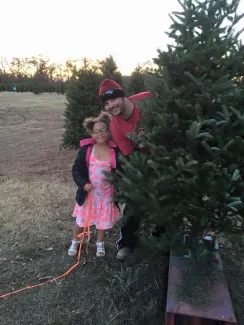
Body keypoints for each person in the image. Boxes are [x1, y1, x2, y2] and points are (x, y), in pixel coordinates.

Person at [98, 79, 165, 260]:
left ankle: (162, 236)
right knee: (135, 200)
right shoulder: (115, 125)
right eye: (106, 103)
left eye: (113, 100)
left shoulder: (146, 99)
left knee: (166, 196)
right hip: (144, 160)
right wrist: (138, 177)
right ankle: (126, 242)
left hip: (168, 156)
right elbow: (129, 155)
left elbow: (172, 104)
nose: (111, 106)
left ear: (123, 96)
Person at [68, 112, 121, 257]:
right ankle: (75, 241)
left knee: (101, 223)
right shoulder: (87, 150)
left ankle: (100, 244)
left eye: (103, 130)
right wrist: (83, 183)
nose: (100, 134)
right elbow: (76, 169)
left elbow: (120, 172)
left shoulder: (114, 151)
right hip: (88, 195)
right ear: (91, 133)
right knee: (81, 220)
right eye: (96, 131)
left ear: (109, 131)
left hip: (105, 195)